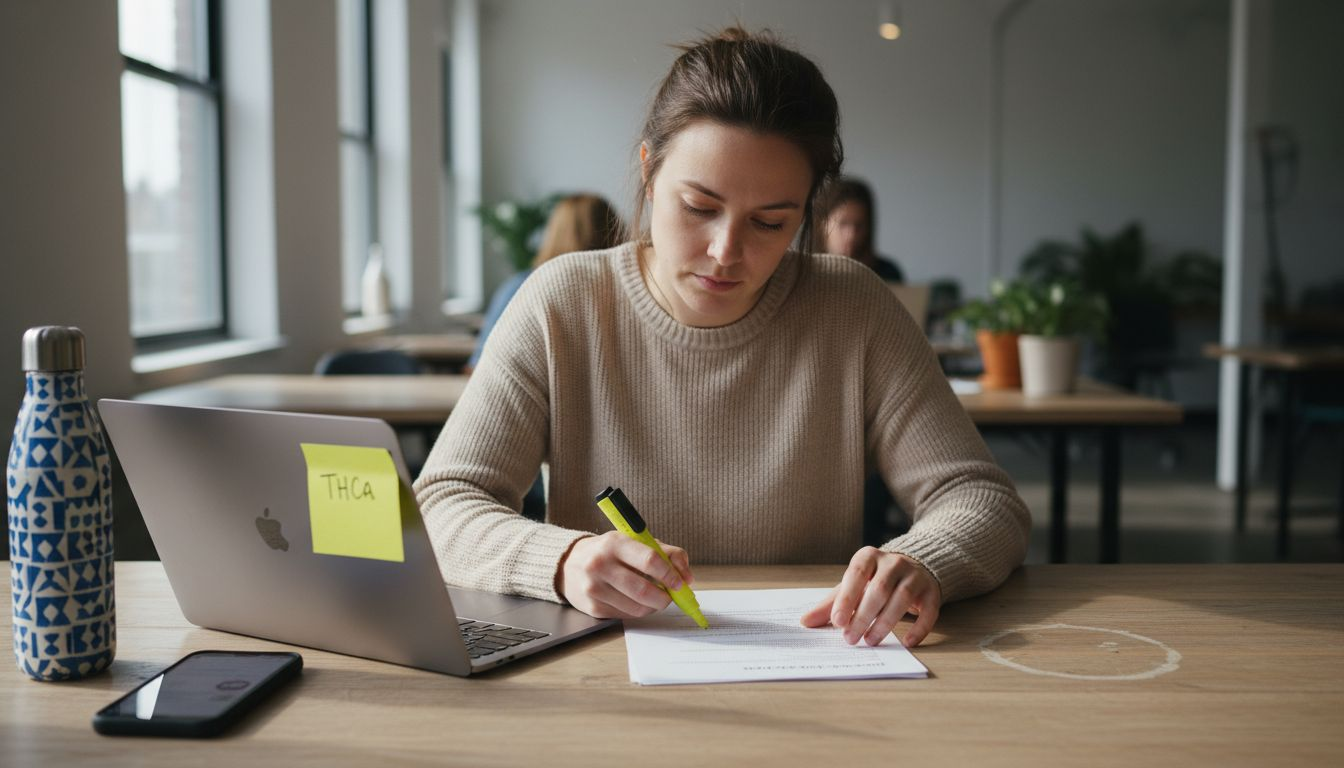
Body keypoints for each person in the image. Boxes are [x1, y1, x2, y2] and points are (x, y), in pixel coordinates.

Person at [415, 27, 1029, 649]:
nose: (725, 252)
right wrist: (562, 561)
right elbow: (440, 505)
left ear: (806, 213)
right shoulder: (562, 303)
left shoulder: (854, 309)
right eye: (699, 207)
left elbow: (981, 499)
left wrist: (924, 561)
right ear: (649, 171)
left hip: (814, 659)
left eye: (770, 222)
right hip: (600, 662)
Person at [466, 194, 623, 372]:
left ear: (554, 232)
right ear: (614, 230)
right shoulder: (624, 292)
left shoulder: (519, 287)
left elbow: (479, 366)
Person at [815, 176, 905, 282]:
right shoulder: (805, 271)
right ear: (823, 224)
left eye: (859, 225)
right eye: (843, 223)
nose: (851, 235)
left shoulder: (888, 272)